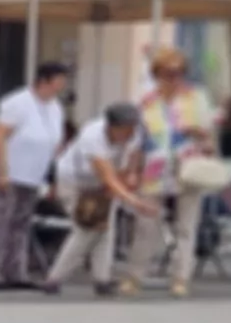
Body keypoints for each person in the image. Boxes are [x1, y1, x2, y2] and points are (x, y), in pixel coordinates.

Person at [135, 46, 219, 298]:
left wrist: (199, 133)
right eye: (168, 73)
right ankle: (135, 274)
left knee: (186, 224)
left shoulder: (196, 97)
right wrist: (133, 168)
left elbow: (208, 134)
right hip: (155, 164)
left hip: (187, 163)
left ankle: (181, 277)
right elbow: (139, 138)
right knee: (146, 222)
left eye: (178, 72)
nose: (174, 78)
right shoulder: (146, 100)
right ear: (157, 73)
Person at [44, 102, 151, 296]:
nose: (129, 133)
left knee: (106, 229)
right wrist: (133, 201)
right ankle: (54, 278)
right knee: (87, 228)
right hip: (76, 182)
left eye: (132, 128)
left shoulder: (135, 133)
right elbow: (105, 174)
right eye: (125, 129)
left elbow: (133, 157)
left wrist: (130, 176)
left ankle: (102, 279)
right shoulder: (92, 136)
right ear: (112, 126)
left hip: (106, 181)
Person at [0, 68, 63, 291]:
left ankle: (16, 270)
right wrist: (1, 170)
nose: (61, 86)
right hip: (10, 171)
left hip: (32, 175)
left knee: (21, 223)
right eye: (58, 81)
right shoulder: (17, 102)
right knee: (1, 222)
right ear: (43, 81)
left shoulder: (54, 107)